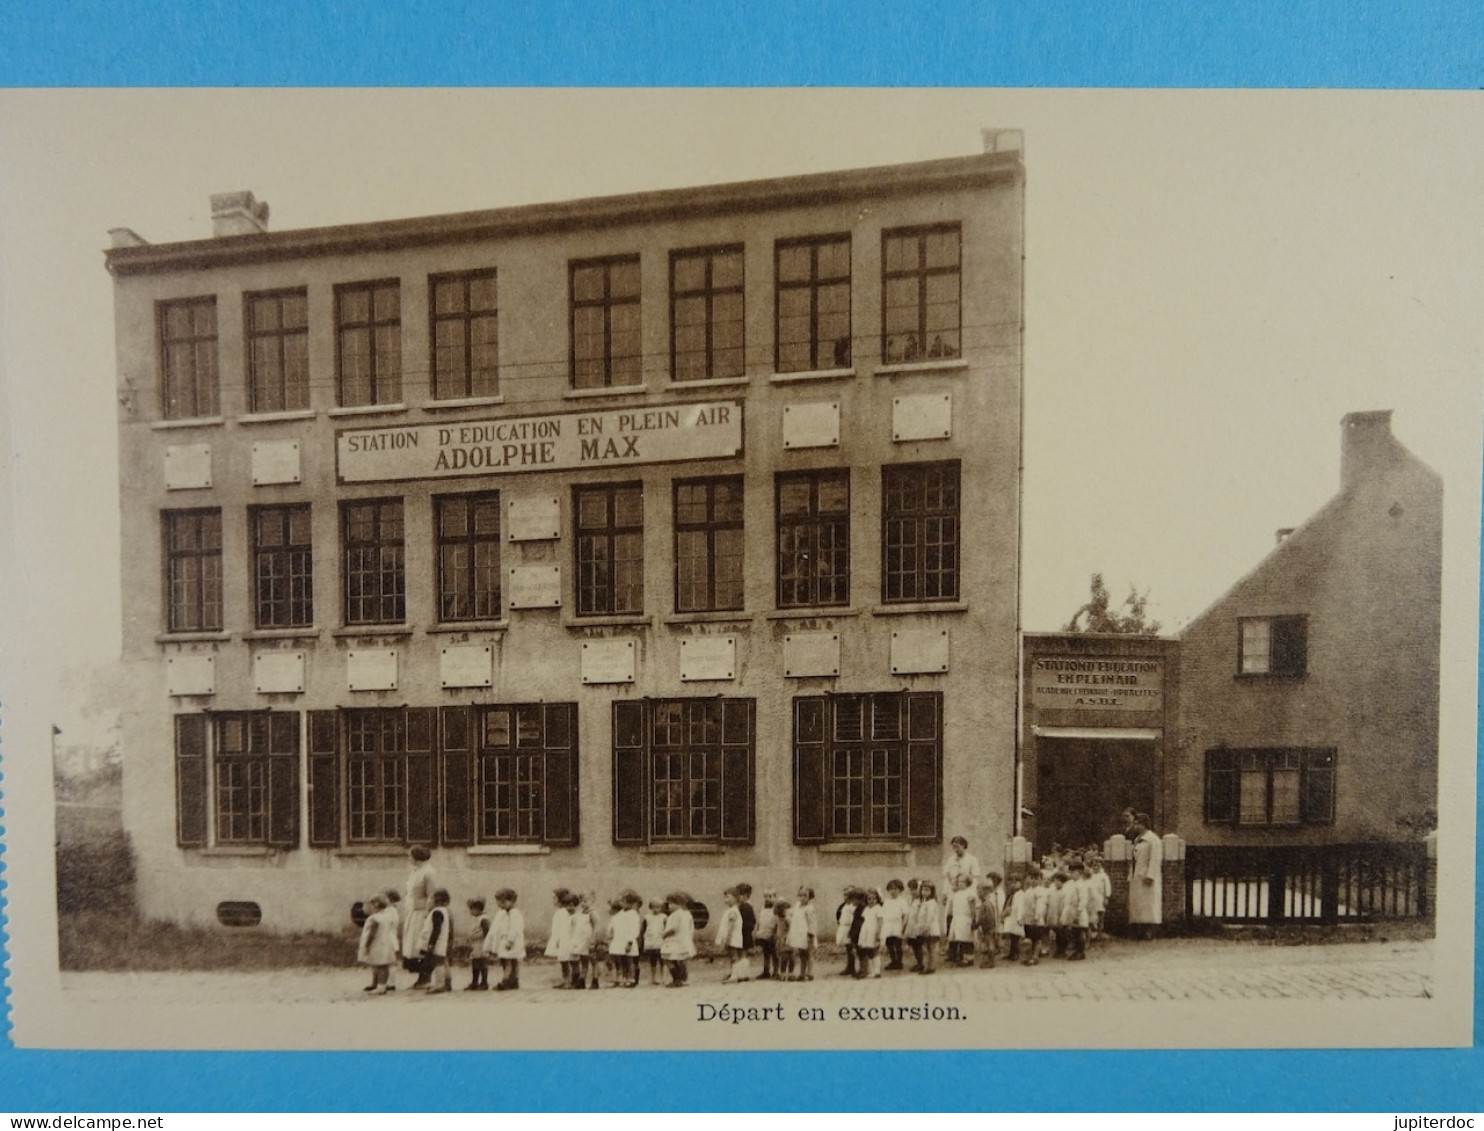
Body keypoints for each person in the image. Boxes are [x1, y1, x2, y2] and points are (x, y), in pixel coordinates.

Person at [402, 846, 437, 987]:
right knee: (412, 944)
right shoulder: (415, 872)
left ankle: (426, 977)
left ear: (417, 857)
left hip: (422, 913)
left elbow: (431, 895)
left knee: (421, 944)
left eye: (410, 856)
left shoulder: (428, 872)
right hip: (412, 912)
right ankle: (420, 977)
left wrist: (428, 914)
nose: (408, 858)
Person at [1126, 812, 1164, 939]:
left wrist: (1150, 876)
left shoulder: (1153, 840)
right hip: (1138, 876)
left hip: (1147, 877)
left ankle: (1150, 932)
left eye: (1138, 824)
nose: (1135, 826)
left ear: (1144, 825)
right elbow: (1134, 860)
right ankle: (1139, 931)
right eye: (1135, 823)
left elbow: (1155, 859)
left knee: (1149, 905)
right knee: (1139, 905)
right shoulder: (1137, 840)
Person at [357, 894, 398, 994]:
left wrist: (367, 945)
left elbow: (371, 934)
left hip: (377, 945)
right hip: (386, 943)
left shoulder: (375, 919)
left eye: (370, 905)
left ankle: (381, 987)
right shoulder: (387, 917)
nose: (368, 908)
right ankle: (375, 984)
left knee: (380, 966)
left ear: (376, 905)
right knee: (377, 965)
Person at [487, 887, 525, 991]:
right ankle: (513, 980)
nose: (500, 904)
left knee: (510, 961)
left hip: (512, 942)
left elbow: (515, 928)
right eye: (499, 902)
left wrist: (510, 941)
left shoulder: (515, 914)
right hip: (505, 941)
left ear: (512, 901)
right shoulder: (504, 914)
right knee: (506, 960)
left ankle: (507, 980)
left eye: (503, 902)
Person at [417, 888, 453, 993]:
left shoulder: (437, 912)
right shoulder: (444, 911)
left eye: (430, 899)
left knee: (438, 963)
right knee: (444, 962)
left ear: (436, 900)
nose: (428, 902)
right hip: (442, 941)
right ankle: (447, 983)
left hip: (438, 942)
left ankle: (440, 984)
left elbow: (436, 929)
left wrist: (431, 944)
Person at [660, 891, 696, 987]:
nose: (669, 906)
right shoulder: (687, 914)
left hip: (674, 941)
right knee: (680, 960)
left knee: (668, 959)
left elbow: (673, 928)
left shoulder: (675, 915)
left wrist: (664, 934)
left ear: (679, 904)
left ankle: (676, 979)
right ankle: (683, 979)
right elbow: (691, 927)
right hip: (684, 941)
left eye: (672, 903)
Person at [714, 887, 748, 983]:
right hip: (733, 937)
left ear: (735, 898)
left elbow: (731, 925)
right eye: (725, 897)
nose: (726, 900)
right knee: (734, 956)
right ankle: (739, 974)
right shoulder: (732, 910)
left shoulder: (732, 911)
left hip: (732, 938)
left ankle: (734, 975)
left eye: (728, 897)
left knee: (734, 957)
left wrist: (727, 938)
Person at [945, 873, 978, 967]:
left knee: (966, 939)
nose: (959, 883)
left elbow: (972, 908)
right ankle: (959, 956)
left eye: (962, 881)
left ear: (967, 882)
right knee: (958, 938)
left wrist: (973, 919)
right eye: (958, 881)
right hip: (957, 918)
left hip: (966, 918)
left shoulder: (970, 893)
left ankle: (969, 959)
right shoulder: (957, 894)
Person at [911, 880, 942, 973]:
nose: (924, 892)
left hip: (930, 929)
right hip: (924, 927)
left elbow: (930, 917)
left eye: (927, 890)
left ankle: (930, 967)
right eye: (923, 890)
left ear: (932, 892)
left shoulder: (931, 903)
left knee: (930, 949)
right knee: (926, 948)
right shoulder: (924, 902)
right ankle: (928, 966)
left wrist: (926, 928)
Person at [545, 888, 574, 987]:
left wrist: (558, 939)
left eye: (554, 898)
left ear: (561, 900)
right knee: (563, 961)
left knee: (567, 960)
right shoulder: (559, 912)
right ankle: (566, 980)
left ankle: (569, 981)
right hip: (559, 939)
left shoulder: (563, 912)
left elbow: (564, 928)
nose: (553, 901)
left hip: (564, 940)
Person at [788, 886, 817, 981]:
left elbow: (812, 923)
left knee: (809, 954)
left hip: (807, 935)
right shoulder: (797, 905)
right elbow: (791, 913)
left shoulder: (810, 909)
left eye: (805, 895)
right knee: (802, 955)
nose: (802, 898)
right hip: (799, 935)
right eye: (800, 895)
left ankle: (810, 973)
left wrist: (811, 934)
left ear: (810, 897)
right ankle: (802, 973)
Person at [856, 888, 886, 978]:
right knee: (868, 951)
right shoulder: (866, 909)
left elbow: (880, 921)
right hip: (866, 932)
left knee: (875, 951)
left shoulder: (878, 908)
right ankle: (871, 971)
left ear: (877, 899)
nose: (871, 901)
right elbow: (865, 920)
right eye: (869, 899)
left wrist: (878, 933)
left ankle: (877, 971)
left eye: (874, 899)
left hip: (874, 931)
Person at [881, 879, 908, 971]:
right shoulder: (887, 901)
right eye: (891, 889)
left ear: (900, 890)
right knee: (889, 944)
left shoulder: (902, 901)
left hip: (897, 925)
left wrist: (903, 926)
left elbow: (905, 915)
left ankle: (899, 962)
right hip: (888, 925)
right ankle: (893, 961)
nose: (893, 891)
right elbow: (884, 913)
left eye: (896, 889)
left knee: (898, 945)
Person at [642, 899, 667, 985]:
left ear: (661, 908)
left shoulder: (664, 917)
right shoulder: (647, 917)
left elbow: (666, 928)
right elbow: (643, 929)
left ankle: (664, 978)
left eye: (658, 907)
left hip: (660, 941)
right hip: (651, 942)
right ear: (651, 907)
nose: (655, 909)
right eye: (653, 907)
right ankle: (652, 978)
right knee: (652, 961)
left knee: (662, 960)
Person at [755, 890, 779, 980]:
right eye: (765, 896)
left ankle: (776, 972)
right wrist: (758, 931)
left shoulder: (776, 909)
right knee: (766, 953)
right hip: (763, 934)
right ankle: (766, 971)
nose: (767, 899)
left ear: (775, 897)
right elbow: (760, 921)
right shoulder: (762, 908)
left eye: (770, 896)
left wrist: (776, 933)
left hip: (772, 934)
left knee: (774, 953)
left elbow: (777, 922)